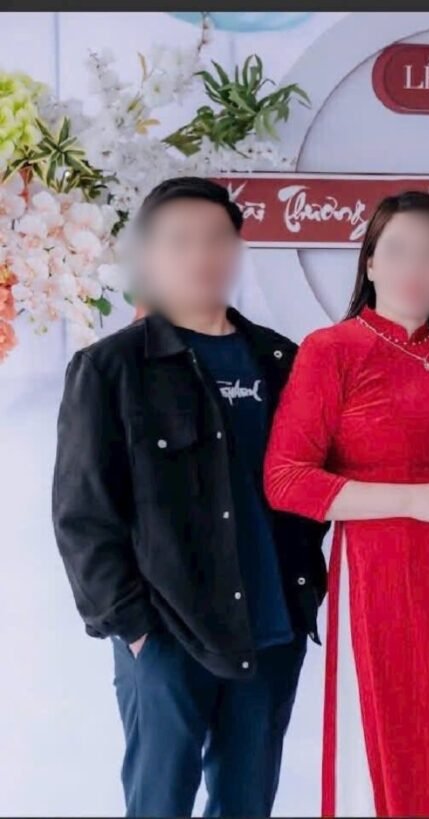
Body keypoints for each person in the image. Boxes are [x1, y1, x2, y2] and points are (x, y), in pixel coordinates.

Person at [51, 177, 328, 817]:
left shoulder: (283, 361)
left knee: (246, 803)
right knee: (159, 805)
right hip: (168, 635)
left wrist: (302, 591)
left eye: (215, 239)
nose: (202, 255)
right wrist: (135, 630)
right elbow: (83, 516)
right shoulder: (111, 368)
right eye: (180, 241)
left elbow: (308, 483)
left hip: (271, 630)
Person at [262, 191, 429, 818]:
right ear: (369, 262)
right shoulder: (332, 349)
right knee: (388, 753)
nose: (415, 268)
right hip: (379, 584)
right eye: (398, 251)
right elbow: (285, 479)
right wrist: (410, 500)